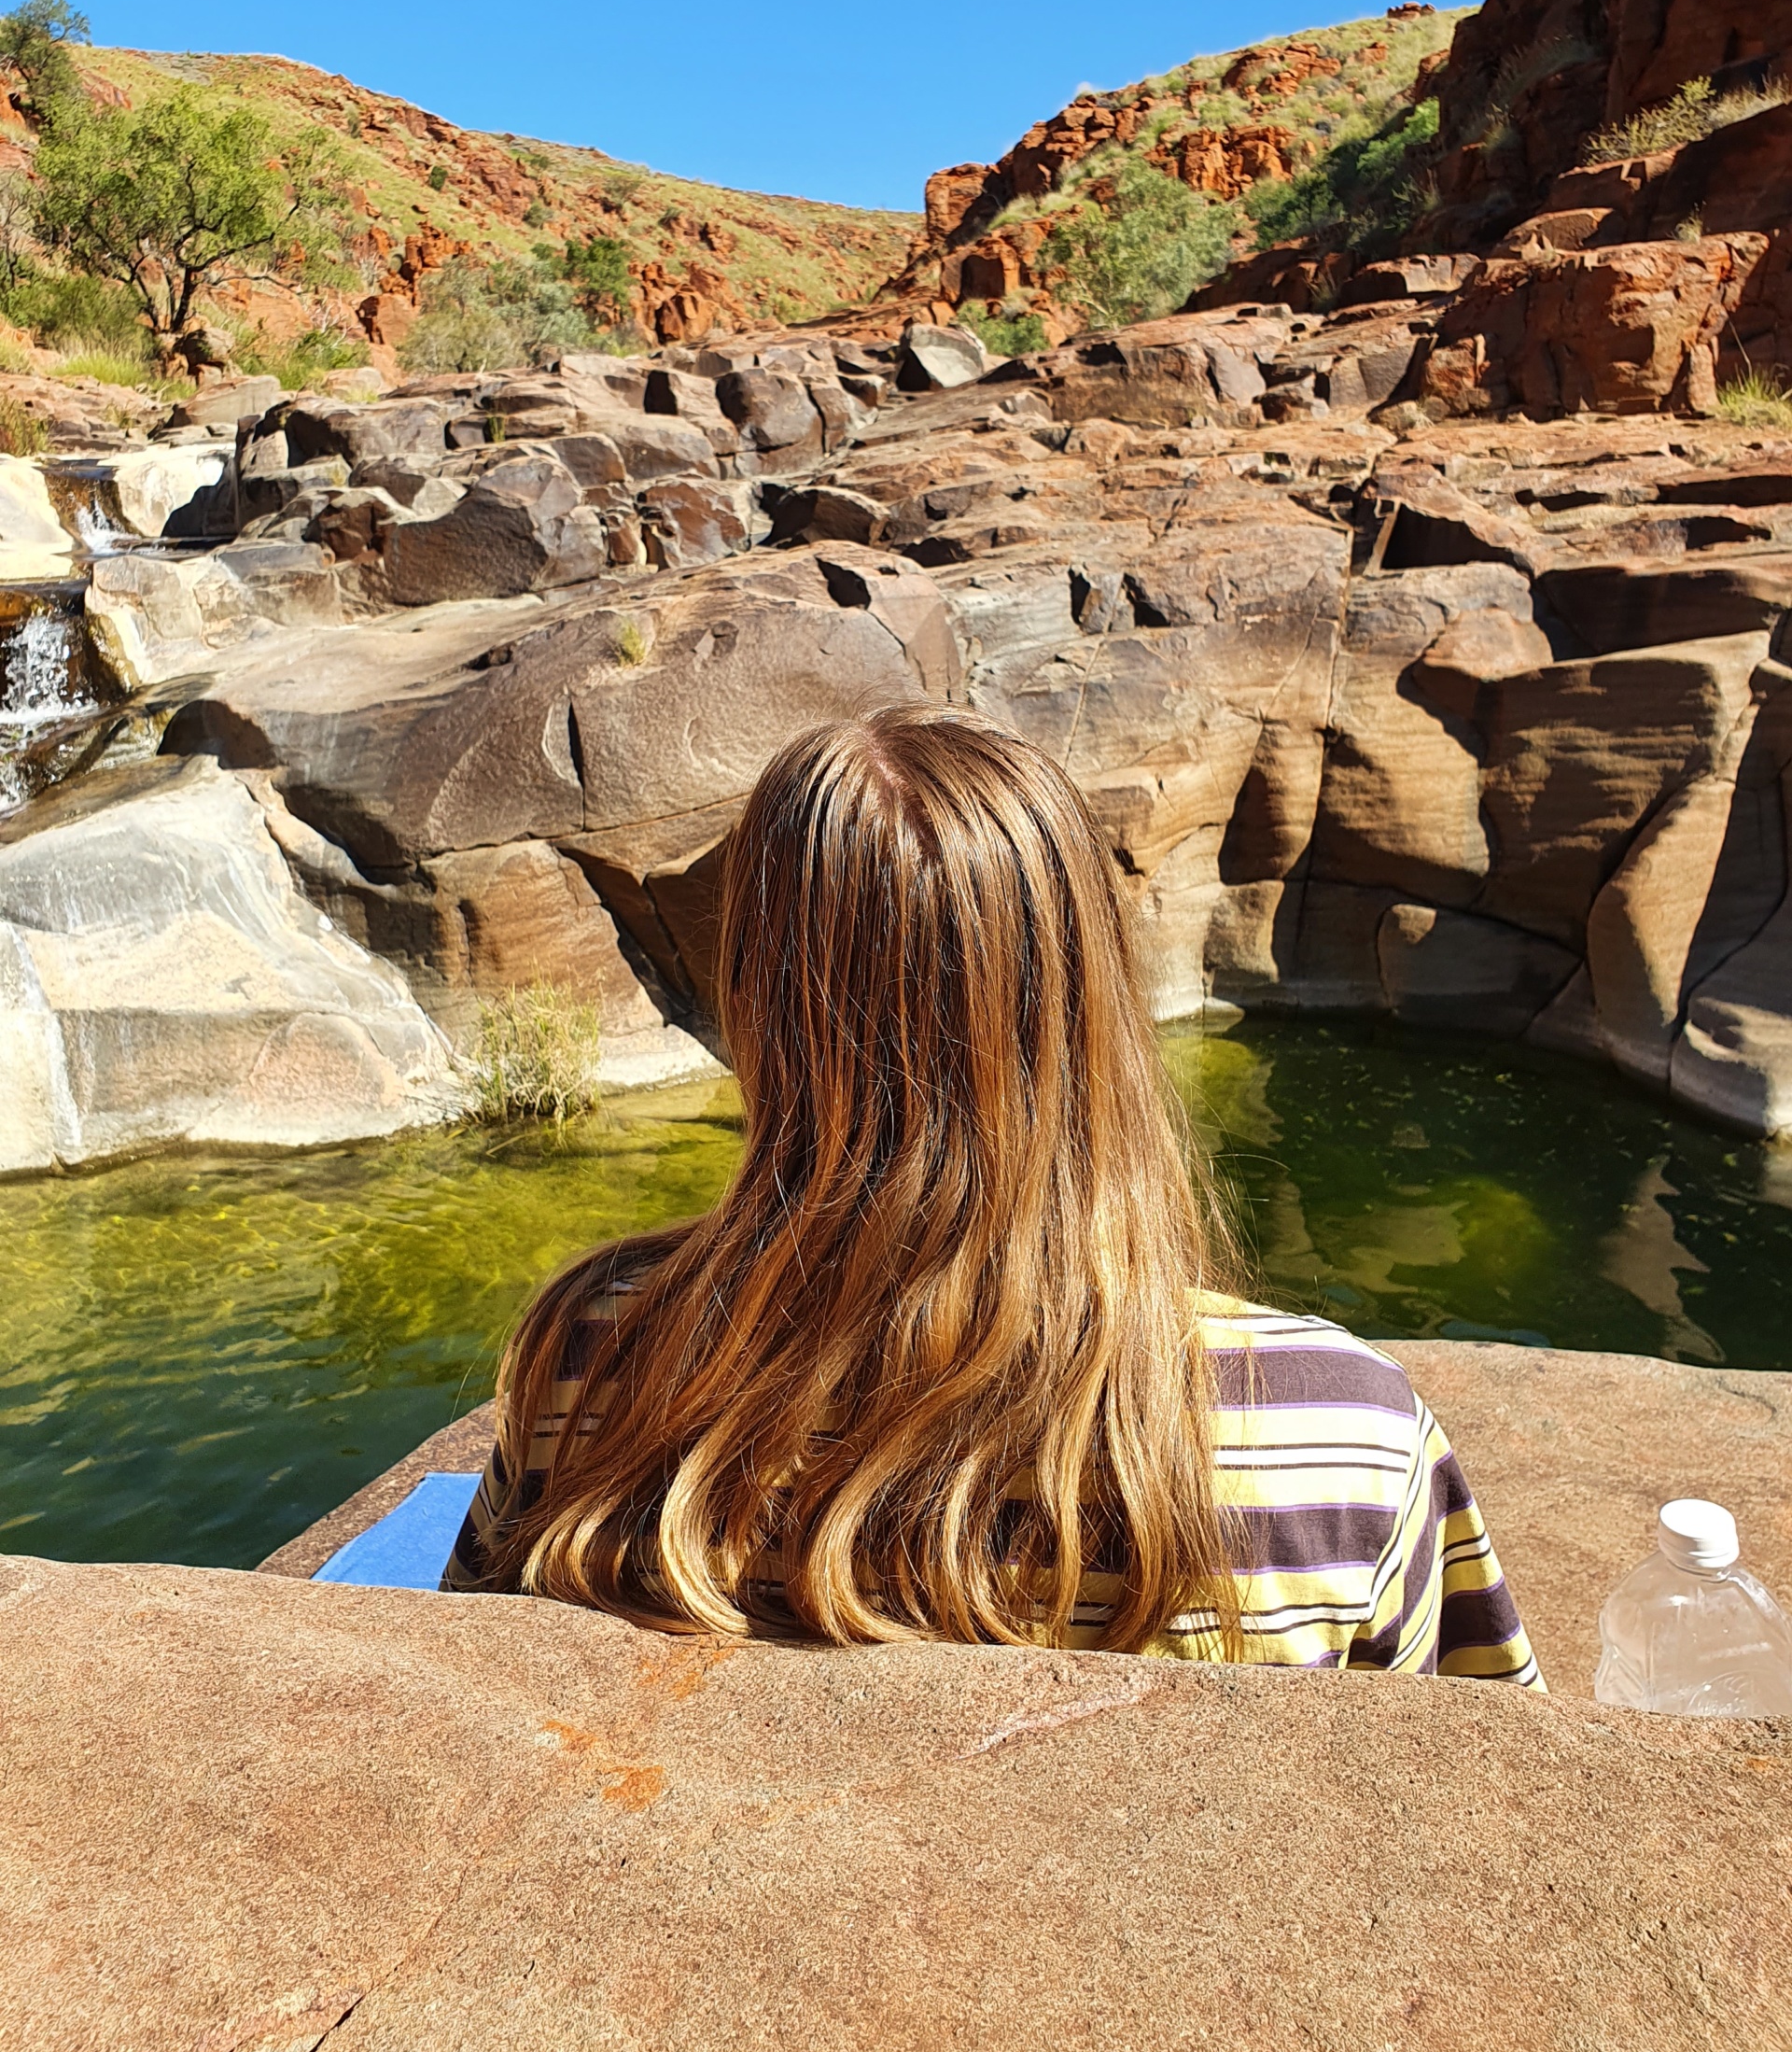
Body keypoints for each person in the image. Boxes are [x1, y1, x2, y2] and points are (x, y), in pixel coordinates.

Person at [444, 705, 1540, 1685]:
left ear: (756, 1002)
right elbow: (1475, 1788)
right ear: (1092, 999)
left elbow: (464, 1676)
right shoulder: (1344, 1431)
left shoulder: (589, 1353)